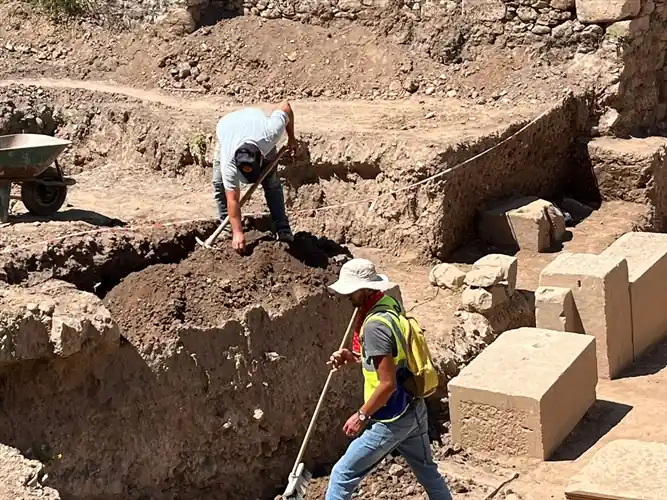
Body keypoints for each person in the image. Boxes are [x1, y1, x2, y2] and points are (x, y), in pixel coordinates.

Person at [326, 258, 453, 500]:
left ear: (364, 289)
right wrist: (352, 357)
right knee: (428, 473)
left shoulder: (374, 326)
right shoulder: (387, 304)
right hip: (414, 408)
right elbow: (390, 357)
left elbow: (387, 383)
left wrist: (361, 415)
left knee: (342, 475)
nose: (348, 297)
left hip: (391, 417)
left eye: (351, 291)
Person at [212, 102, 297, 252]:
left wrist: (291, 137)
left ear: (261, 158)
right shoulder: (229, 163)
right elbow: (233, 199)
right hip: (228, 127)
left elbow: (286, 107)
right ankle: (227, 228)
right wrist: (238, 232)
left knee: (271, 183)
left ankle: (283, 228)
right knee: (219, 184)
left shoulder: (270, 133)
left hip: (256, 125)